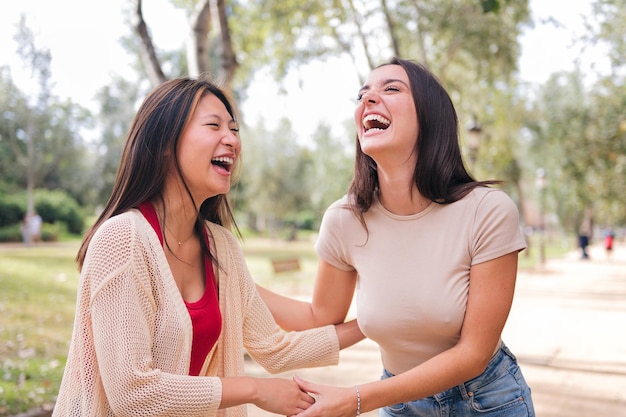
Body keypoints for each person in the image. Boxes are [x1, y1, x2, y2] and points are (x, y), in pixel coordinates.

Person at [52, 76, 363, 417]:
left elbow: (275, 349)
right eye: (213, 126)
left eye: (234, 129)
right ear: (165, 144)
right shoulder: (122, 239)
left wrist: (374, 323)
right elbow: (132, 393)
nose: (231, 140)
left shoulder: (221, 247)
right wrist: (255, 390)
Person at [259, 58, 535, 417]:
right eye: (363, 94)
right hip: (400, 403)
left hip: (486, 400)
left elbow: (473, 354)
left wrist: (357, 399)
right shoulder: (345, 220)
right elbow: (320, 315)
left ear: (430, 117)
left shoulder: (487, 210)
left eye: (391, 89)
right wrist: (231, 280)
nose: (368, 100)